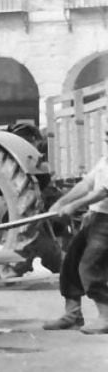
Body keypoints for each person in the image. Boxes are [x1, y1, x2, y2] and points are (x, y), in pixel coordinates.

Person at [42, 130, 108, 333]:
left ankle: (106, 317)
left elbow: (103, 191)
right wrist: (62, 202)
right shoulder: (105, 159)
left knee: (89, 267)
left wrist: (74, 206)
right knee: (70, 262)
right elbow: (87, 183)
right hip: (96, 217)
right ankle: (73, 314)